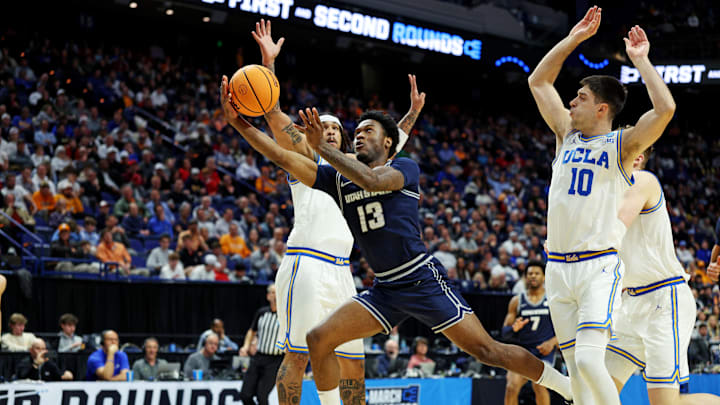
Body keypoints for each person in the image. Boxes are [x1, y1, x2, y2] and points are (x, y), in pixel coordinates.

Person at [221, 83, 572, 405]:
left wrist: (324, 148)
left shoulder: (404, 166)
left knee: (488, 351)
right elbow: (283, 157)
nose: (358, 136)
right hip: (385, 288)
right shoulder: (335, 179)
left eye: (366, 132)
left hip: (421, 280)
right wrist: (238, 123)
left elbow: (371, 180)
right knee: (318, 339)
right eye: (355, 133)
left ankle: (566, 386)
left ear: (388, 142)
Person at [250, 19, 425, 405]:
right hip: (305, 264)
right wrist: (268, 65)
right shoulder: (307, 162)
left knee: (354, 363)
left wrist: (412, 112)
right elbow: (274, 114)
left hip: (341, 270)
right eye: (321, 125)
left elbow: (394, 139)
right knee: (297, 356)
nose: (328, 130)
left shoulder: (354, 168)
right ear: (311, 132)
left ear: (343, 137)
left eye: (334, 128)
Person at [528, 7, 675, 404]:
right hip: (557, 269)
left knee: (593, 366)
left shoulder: (622, 145)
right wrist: (573, 39)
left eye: (581, 97)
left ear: (602, 109)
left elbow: (665, 110)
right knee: (578, 377)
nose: (571, 102)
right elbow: (538, 80)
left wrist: (642, 62)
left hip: (597, 266)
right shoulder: (565, 134)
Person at [604, 148, 720, 404]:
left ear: (637, 158)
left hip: (664, 299)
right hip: (631, 303)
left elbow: (614, 227)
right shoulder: (606, 192)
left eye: (615, 146)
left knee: (667, 403)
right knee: (596, 393)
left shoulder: (642, 180)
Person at [501, 261, 556, 405]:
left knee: (539, 385)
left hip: (544, 352)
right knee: (511, 386)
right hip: (523, 352)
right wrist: (514, 329)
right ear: (525, 277)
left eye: (537, 273)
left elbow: (568, 329)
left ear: (544, 277)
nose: (533, 276)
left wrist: (551, 343)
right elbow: (504, 333)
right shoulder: (516, 301)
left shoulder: (553, 299)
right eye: (530, 273)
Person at [239, 284, 284, 405]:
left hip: (276, 360)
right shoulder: (261, 313)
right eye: (272, 293)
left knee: (262, 396)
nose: (275, 295)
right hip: (259, 357)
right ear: (268, 296)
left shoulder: (285, 315)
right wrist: (246, 346)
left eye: (277, 292)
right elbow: (251, 331)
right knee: (245, 395)